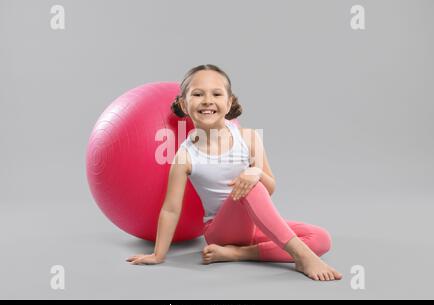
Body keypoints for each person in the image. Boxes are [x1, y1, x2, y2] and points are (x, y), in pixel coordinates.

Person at [126, 64, 342, 281]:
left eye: (216, 94)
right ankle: (302, 256)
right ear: (184, 103)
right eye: (198, 94)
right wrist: (158, 254)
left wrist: (255, 173)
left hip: (253, 225)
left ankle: (239, 253)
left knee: (321, 239)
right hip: (220, 231)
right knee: (250, 185)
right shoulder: (185, 156)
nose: (208, 100)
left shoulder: (248, 138)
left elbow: (270, 188)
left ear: (228, 102)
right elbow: (171, 209)